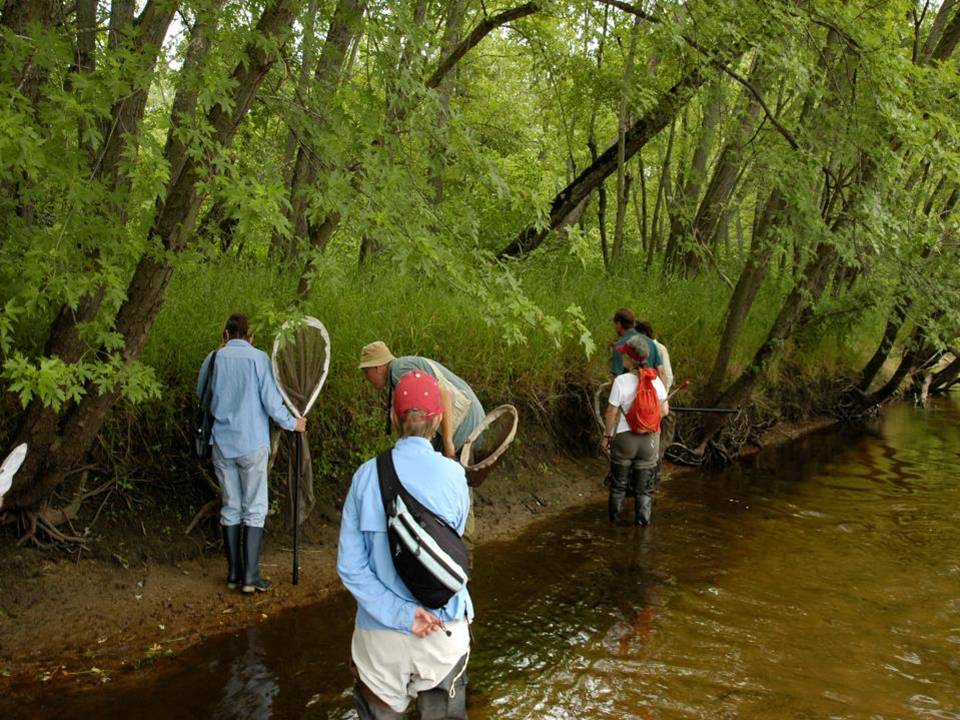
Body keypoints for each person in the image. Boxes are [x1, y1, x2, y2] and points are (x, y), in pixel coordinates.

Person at [338, 370, 473, 719]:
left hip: (379, 641)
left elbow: (351, 568)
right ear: (439, 419)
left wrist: (402, 615)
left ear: (393, 418)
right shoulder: (455, 477)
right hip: (442, 634)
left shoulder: (364, 477)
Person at [197, 313, 306, 593]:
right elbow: (271, 404)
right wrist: (294, 423)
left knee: (231, 506)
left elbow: (202, 395)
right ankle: (250, 576)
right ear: (251, 335)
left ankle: (234, 575)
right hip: (253, 443)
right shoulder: (258, 359)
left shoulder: (213, 359)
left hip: (221, 442)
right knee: (255, 508)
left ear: (226, 334)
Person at [358, 341, 485, 459]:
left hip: (466, 428)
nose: (365, 377)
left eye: (366, 371)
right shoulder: (403, 366)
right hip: (474, 422)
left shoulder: (399, 371)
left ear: (377, 368)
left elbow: (442, 394)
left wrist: (448, 444)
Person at [601, 335, 669, 526]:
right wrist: (647, 420)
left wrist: (607, 436)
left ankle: (613, 525)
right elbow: (664, 411)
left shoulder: (621, 381)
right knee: (644, 491)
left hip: (625, 440)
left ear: (630, 359)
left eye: (624, 356)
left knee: (618, 487)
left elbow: (611, 411)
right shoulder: (656, 382)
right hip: (650, 442)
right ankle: (642, 529)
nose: (622, 358)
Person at [609, 308, 661, 378]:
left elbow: (616, 378)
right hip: (650, 386)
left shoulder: (618, 346)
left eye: (615, 324)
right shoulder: (651, 343)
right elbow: (661, 372)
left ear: (619, 324)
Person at [636, 320, 673, 392]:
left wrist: (664, 392)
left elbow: (667, 375)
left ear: (644, 333)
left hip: (657, 393)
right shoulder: (638, 348)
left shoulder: (660, 348)